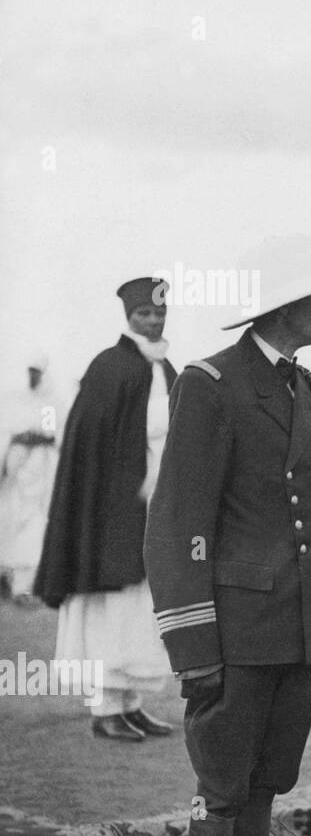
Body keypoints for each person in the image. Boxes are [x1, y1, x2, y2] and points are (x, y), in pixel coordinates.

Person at [144, 235, 311, 836]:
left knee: (264, 788)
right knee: (221, 795)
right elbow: (178, 528)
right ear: (287, 302)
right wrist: (195, 649)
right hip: (236, 642)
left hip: (298, 640)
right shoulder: (210, 385)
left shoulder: (307, 388)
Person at [35, 278, 176, 741]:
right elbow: (90, 444)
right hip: (114, 509)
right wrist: (126, 487)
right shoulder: (109, 366)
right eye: (144, 315)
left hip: (155, 504)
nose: (153, 321)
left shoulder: (166, 368)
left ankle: (131, 703)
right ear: (128, 316)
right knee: (111, 603)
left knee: (142, 607)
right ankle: (104, 705)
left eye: (159, 313)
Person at [0, 354, 63, 602]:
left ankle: (27, 585)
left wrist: (32, 437)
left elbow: (49, 435)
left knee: (35, 525)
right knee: (12, 520)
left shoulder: (48, 404)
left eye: (37, 372)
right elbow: (10, 430)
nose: (33, 376)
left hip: (39, 471)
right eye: (30, 371)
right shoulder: (17, 400)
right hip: (17, 469)